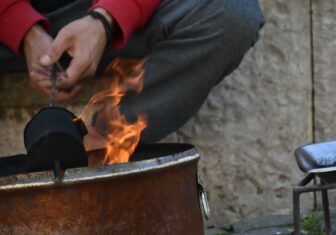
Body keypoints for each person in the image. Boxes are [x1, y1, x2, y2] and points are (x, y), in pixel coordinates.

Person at [0, 0, 265, 143]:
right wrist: (22, 29)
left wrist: (106, 19)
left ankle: (102, 144)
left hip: (115, 13)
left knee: (230, 11)